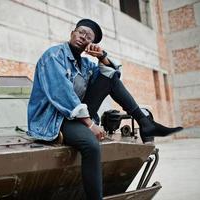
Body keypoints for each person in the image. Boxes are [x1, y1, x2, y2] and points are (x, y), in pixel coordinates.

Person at [27, 19, 183, 200]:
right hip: (54, 118)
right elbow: (62, 94)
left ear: (91, 44)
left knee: (109, 76)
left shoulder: (85, 63)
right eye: (80, 32)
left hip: (77, 115)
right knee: (91, 146)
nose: (82, 37)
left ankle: (144, 121)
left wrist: (102, 57)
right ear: (72, 32)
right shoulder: (53, 56)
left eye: (88, 37)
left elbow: (112, 75)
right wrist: (90, 125)